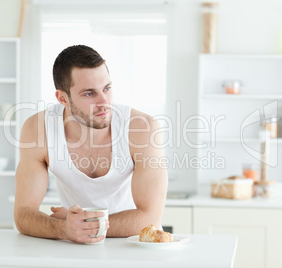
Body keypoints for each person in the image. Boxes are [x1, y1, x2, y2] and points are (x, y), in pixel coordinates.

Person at [14, 45, 168, 244]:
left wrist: (82, 225)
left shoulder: (142, 128)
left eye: (107, 88)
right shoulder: (38, 130)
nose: (104, 102)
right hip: (76, 245)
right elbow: (23, 214)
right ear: (63, 98)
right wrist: (64, 228)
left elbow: (150, 219)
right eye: (89, 94)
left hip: (134, 246)